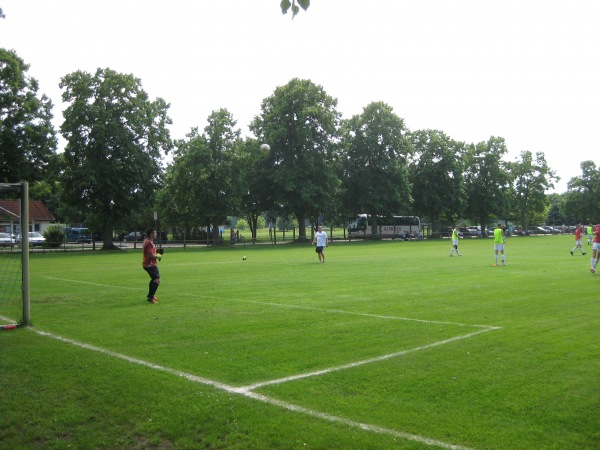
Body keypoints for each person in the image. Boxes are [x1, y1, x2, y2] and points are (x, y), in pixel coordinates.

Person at [142, 228, 162, 303]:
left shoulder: (146, 240)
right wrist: (158, 256)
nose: (156, 234)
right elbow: (150, 255)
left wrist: (157, 252)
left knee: (154, 279)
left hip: (147, 263)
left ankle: (150, 295)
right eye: (155, 233)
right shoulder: (149, 242)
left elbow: (150, 252)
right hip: (150, 264)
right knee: (157, 280)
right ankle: (151, 298)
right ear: (151, 234)